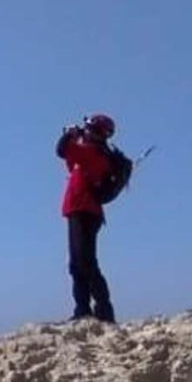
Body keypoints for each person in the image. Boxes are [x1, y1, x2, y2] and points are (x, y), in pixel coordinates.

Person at [56, 114, 119, 323]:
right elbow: (68, 157)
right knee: (78, 263)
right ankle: (83, 309)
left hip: (84, 210)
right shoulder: (93, 153)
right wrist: (74, 137)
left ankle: (103, 310)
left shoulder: (93, 154)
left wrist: (70, 135)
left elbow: (61, 150)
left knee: (85, 262)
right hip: (80, 210)